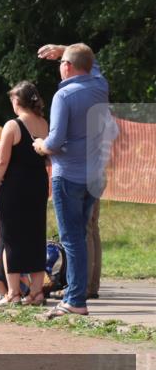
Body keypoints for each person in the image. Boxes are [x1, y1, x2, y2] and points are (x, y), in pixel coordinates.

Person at [32, 43, 110, 319]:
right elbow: (91, 60)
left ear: (67, 66)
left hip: (69, 177)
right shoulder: (100, 85)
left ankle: (75, 299)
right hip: (95, 176)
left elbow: (55, 142)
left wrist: (40, 145)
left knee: (72, 239)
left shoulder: (63, 95)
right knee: (83, 235)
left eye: (61, 61)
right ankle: (78, 294)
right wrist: (65, 49)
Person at [0, 81, 50, 306]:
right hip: (38, 184)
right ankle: (36, 292)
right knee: (35, 236)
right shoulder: (44, 123)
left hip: (14, 186)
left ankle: (13, 293)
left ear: (17, 101)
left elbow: (2, 161)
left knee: (10, 238)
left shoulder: (12, 126)